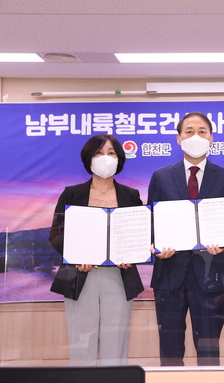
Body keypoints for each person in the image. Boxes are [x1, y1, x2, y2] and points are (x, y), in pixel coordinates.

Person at [148, 112, 224, 366]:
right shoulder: (161, 176)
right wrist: (156, 246)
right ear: (179, 138)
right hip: (169, 274)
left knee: (209, 349)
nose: (195, 136)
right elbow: (152, 221)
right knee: (170, 349)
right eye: (189, 131)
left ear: (211, 138)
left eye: (202, 131)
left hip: (211, 275)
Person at [49, 134, 145, 365]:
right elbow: (56, 235)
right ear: (88, 158)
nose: (105, 158)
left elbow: (140, 233)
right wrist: (76, 257)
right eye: (99, 153)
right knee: (82, 343)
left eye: (111, 153)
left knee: (116, 344)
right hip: (79, 275)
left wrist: (131, 255)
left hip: (119, 276)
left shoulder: (131, 195)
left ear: (119, 159)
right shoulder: (71, 194)